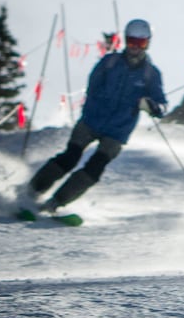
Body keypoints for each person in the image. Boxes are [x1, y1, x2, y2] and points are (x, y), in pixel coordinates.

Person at [26, 18, 167, 212]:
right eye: (132, 41)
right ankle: (31, 192)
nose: (135, 47)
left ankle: (56, 202)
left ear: (148, 43)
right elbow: (92, 87)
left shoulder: (151, 74)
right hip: (91, 121)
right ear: (126, 41)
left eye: (140, 43)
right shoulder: (110, 62)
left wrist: (151, 106)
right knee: (70, 157)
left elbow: (161, 105)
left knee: (95, 167)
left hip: (117, 131)